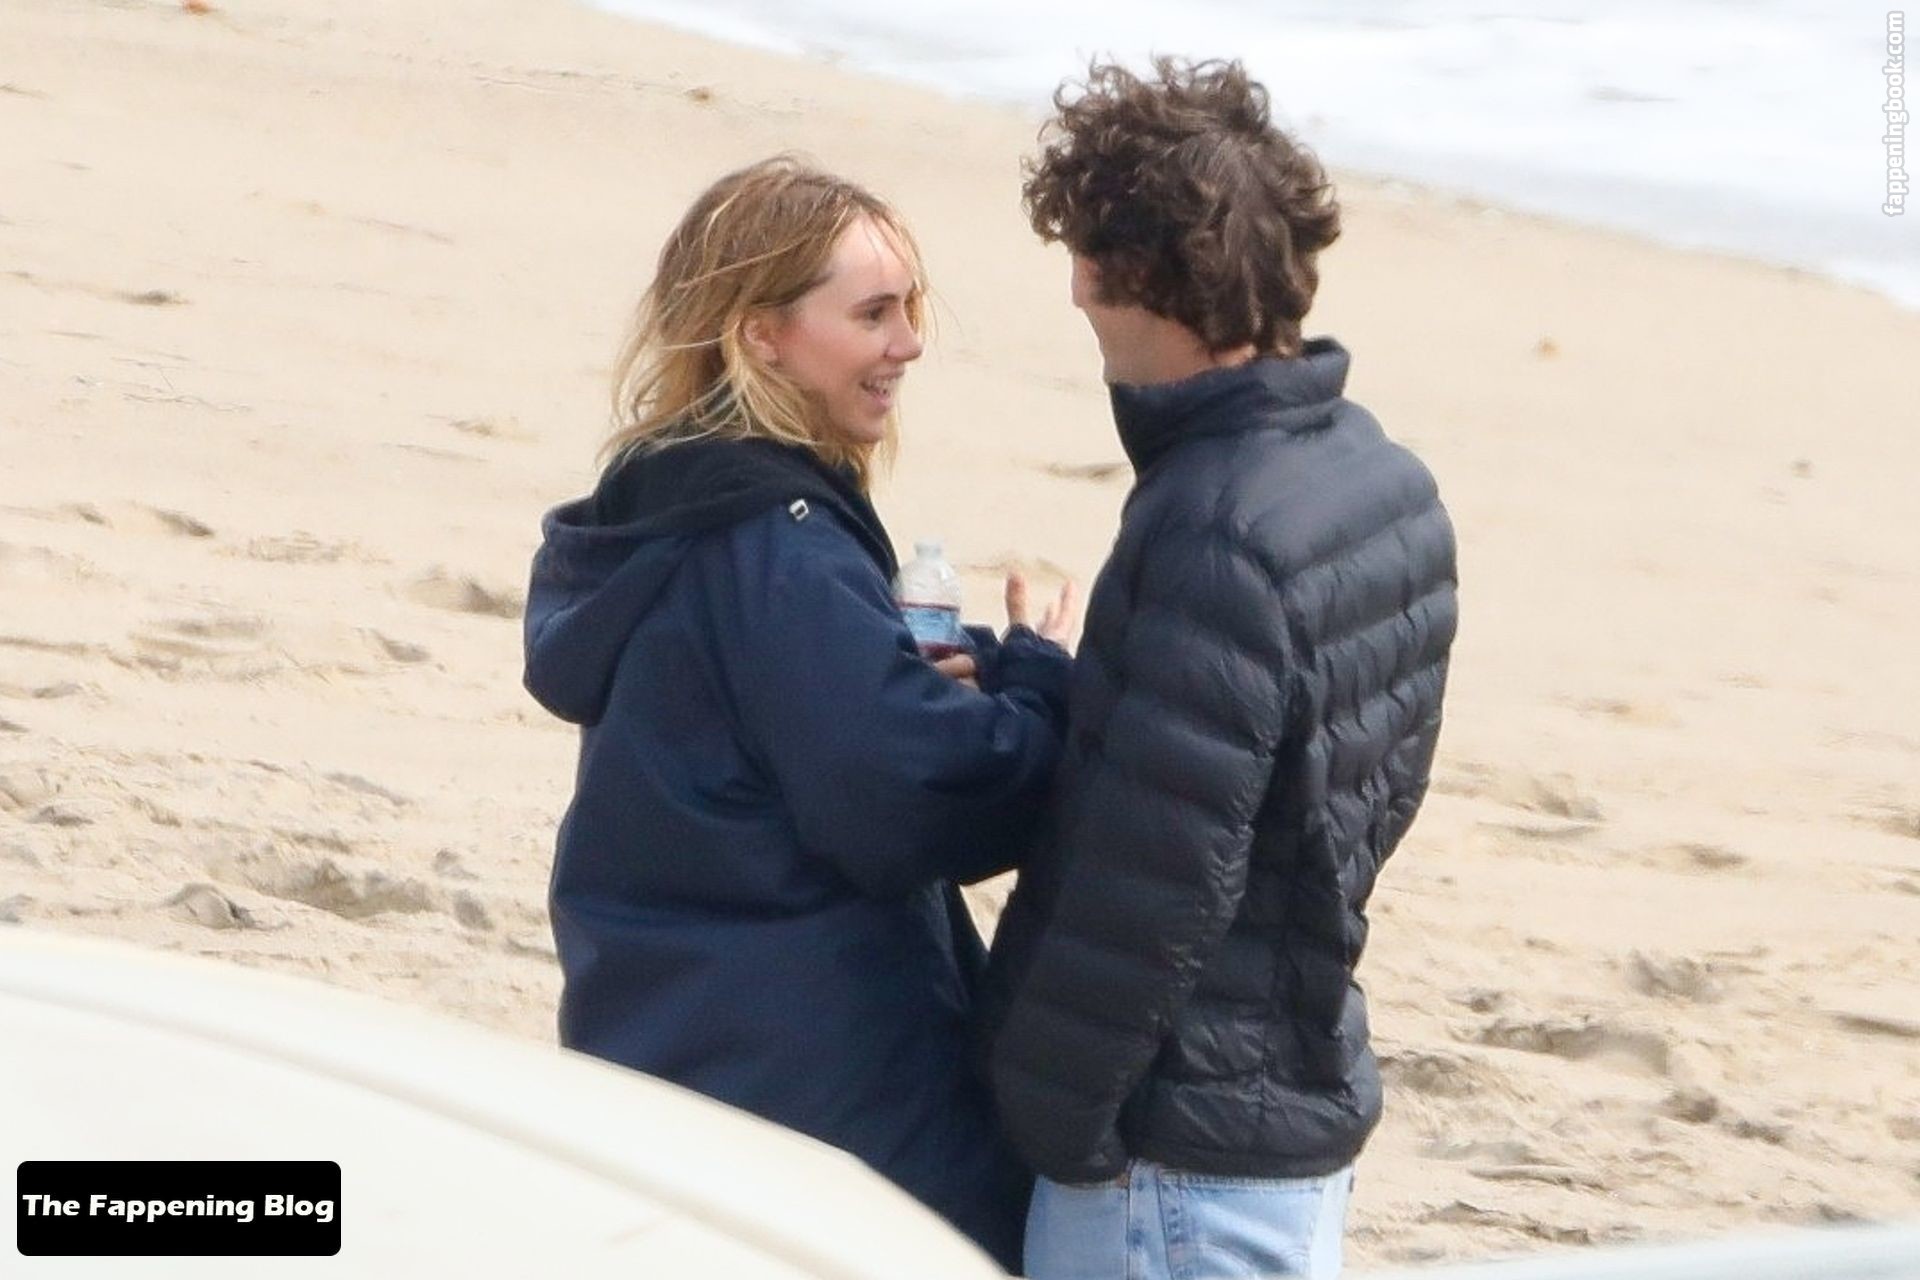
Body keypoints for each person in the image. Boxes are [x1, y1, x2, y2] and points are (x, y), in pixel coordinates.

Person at [521, 156, 1076, 1271]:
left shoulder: (668, 510)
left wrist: (936, 666)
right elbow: (908, 796)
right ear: (760, 336)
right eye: (873, 314)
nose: (908, 344)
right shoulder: (777, 546)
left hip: (667, 1048)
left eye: (911, 310)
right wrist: (1038, 688)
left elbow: (795, 717)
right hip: (812, 1090)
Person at [977, 60, 1460, 1280]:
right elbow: (1352, 802)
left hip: (1173, 1166)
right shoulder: (1383, 480)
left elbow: (1154, 884)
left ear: (1132, 275)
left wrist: (1062, 1125)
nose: (1074, 289)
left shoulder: (1214, 529)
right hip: (1289, 1098)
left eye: (1085, 257)